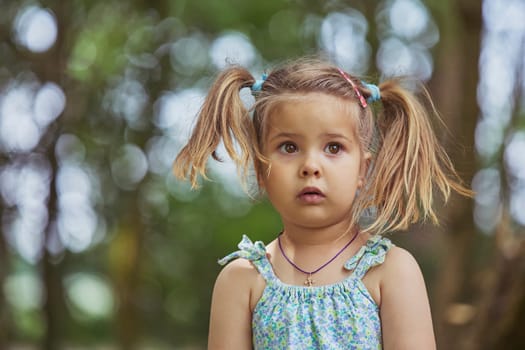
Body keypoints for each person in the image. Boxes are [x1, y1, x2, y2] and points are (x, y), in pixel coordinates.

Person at [173, 57, 471, 349]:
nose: (310, 166)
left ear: (362, 170)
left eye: (333, 147)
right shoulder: (241, 280)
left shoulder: (391, 273)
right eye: (289, 147)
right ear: (262, 170)